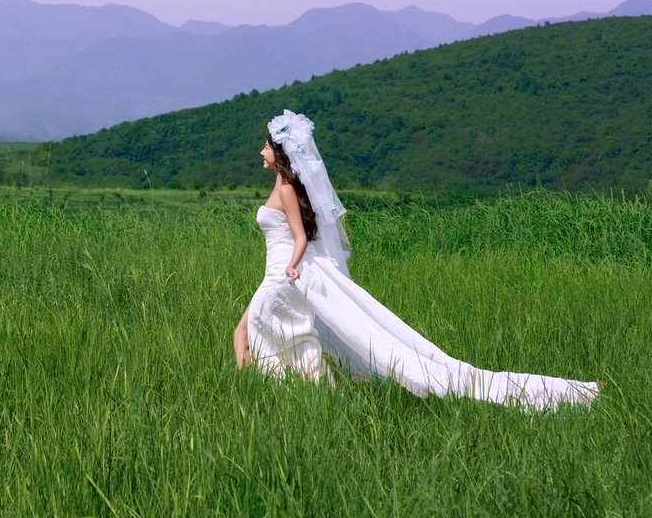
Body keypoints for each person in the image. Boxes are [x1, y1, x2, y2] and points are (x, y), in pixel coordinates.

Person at [233, 110, 599, 409]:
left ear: (280, 151)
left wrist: (290, 268)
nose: (261, 152)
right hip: (281, 275)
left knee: (271, 334)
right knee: (279, 337)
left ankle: (312, 396)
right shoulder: (284, 187)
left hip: (284, 275)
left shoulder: (285, 189)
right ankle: (314, 396)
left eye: (266, 146)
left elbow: (299, 239)